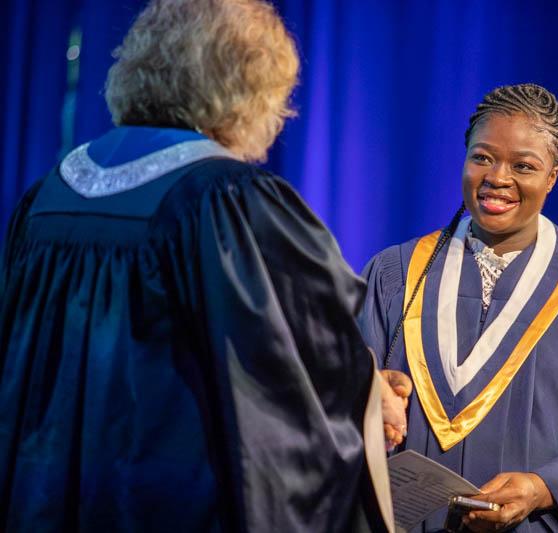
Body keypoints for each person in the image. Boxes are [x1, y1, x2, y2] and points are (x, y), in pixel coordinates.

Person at [0, 0, 408, 531]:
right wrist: (368, 396)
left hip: (49, 497)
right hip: (166, 502)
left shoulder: (50, 194)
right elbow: (292, 372)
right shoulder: (228, 200)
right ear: (250, 87)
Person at [359, 84, 558, 532]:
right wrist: (366, 391)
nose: (498, 178)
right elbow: (328, 411)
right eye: (482, 157)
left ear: (553, 177)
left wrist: (543, 488)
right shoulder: (394, 274)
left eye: (524, 166)